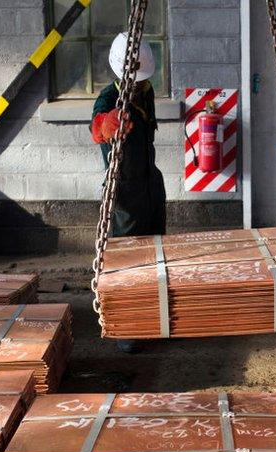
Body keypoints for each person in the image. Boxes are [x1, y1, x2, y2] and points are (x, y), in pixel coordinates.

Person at [90, 33, 166, 354]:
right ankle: (127, 327)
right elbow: (96, 127)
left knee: (155, 251)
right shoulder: (110, 98)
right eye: (132, 81)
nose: (137, 85)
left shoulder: (145, 92)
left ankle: (152, 316)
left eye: (142, 80)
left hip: (149, 184)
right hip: (124, 190)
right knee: (129, 259)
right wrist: (107, 125)